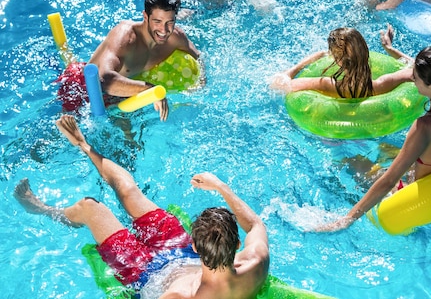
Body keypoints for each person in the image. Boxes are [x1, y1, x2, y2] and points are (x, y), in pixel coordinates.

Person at [14, 115, 270, 299]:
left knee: (90, 207)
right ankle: (84, 145)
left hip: (145, 273)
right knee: (127, 190)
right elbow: (256, 224)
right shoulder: (255, 263)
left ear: (195, 243)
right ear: (237, 245)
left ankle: (41, 209)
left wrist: (220, 186)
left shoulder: (181, 296)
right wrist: (220, 186)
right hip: (178, 251)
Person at [315, 46, 431, 232]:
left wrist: (345, 221)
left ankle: (338, 147)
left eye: (416, 78)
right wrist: (391, 49)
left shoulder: (425, 126)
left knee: (351, 161)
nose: (413, 79)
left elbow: (389, 180)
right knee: (383, 147)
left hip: (413, 196)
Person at [56, 0, 201, 121]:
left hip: (120, 95)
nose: (164, 30)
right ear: (145, 16)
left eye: (170, 22)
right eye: (157, 21)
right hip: (84, 87)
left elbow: (198, 58)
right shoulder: (125, 36)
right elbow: (104, 79)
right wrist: (150, 89)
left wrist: (199, 86)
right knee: (64, 137)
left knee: (133, 146)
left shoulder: (176, 37)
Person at [271, 27, 411, 97]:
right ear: (366, 53)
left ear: (337, 60)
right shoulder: (382, 85)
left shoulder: (328, 84)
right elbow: (414, 68)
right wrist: (389, 48)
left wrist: (293, 69)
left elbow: (279, 84)